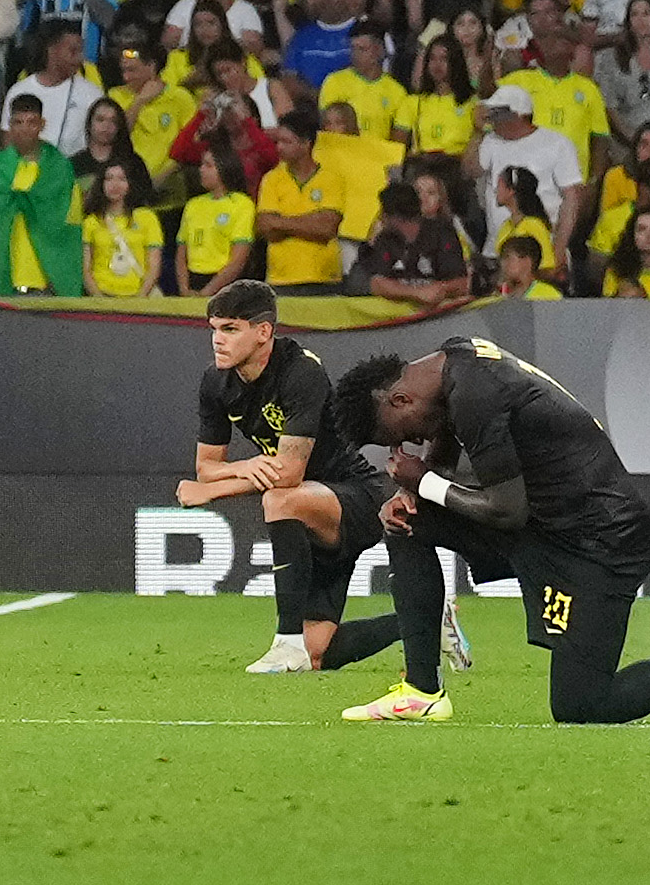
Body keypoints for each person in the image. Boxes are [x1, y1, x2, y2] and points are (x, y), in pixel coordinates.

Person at [327, 338, 650, 728]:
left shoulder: (477, 393)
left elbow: (505, 509)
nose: (398, 449)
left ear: (401, 400)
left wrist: (423, 480)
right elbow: (445, 431)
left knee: (582, 705)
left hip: (601, 540)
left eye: (395, 437)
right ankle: (421, 693)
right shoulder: (453, 364)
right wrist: (417, 492)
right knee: (407, 522)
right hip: (548, 525)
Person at [176, 275, 461, 683]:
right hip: (308, 527)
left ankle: (285, 642)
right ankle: (428, 619)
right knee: (320, 653)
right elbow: (207, 465)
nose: (217, 340)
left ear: (263, 332)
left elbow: (288, 474)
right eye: (214, 330)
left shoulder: (300, 372)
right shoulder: (215, 382)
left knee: (279, 499)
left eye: (230, 329)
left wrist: (213, 490)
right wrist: (242, 467)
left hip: (353, 498)